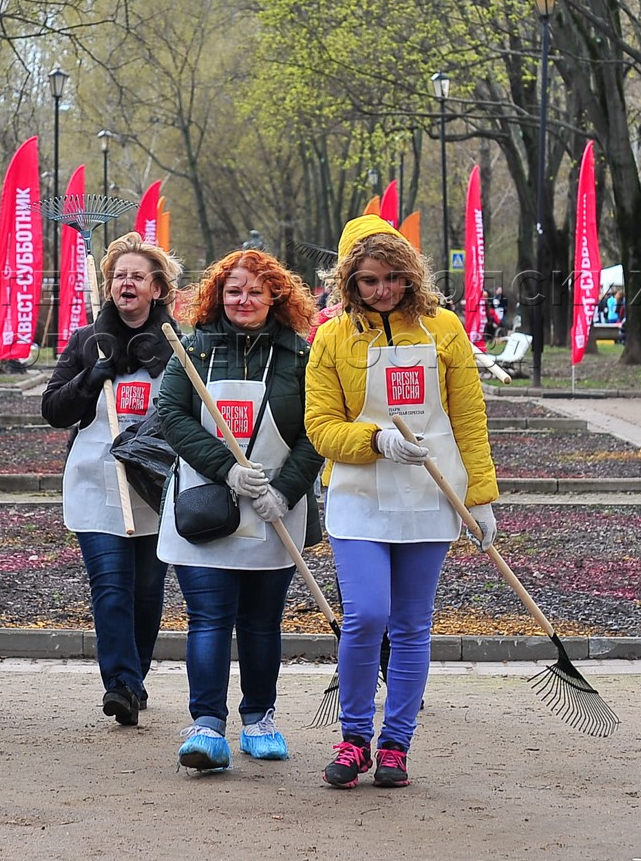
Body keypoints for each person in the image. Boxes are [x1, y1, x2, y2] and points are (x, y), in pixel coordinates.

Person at [305, 215, 499, 789]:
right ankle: (353, 737)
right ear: (349, 282)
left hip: (430, 494)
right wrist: (375, 441)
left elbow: (468, 416)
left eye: (392, 277)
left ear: (409, 276)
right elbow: (319, 426)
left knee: (413, 625)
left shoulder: (444, 330)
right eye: (368, 280)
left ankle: (395, 744)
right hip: (358, 494)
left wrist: (481, 497)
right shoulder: (332, 337)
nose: (382, 289)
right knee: (366, 616)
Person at [158, 249, 323, 772]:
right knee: (208, 619)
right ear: (217, 296)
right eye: (233, 291)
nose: (243, 300)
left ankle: (259, 719)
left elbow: (314, 431)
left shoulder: (300, 356)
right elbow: (171, 416)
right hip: (204, 505)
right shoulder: (189, 350)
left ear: (276, 294)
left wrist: (288, 489)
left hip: (275, 510)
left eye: (255, 290)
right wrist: (225, 470)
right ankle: (206, 726)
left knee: (261, 623)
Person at [41, 232, 183, 727]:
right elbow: (53, 410)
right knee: (111, 588)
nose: (127, 283)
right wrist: (90, 378)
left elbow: (196, 415)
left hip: (154, 488)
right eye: (119, 276)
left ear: (157, 289)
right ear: (108, 286)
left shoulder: (178, 346)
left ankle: (135, 675)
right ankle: (120, 683)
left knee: (147, 591)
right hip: (95, 483)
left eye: (137, 276)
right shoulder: (85, 343)